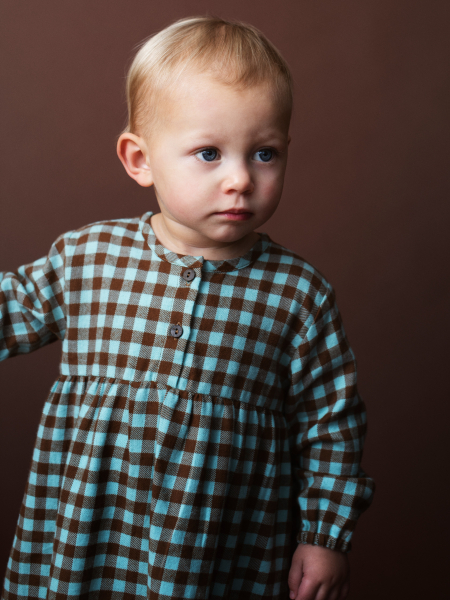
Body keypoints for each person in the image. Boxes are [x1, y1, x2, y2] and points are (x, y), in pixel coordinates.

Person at [0, 15, 375, 600]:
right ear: (140, 159)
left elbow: (331, 425)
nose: (240, 179)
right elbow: (10, 310)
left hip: (219, 544)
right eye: (208, 153)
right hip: (90, 532)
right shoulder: (88, 257)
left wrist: (324, 537)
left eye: (265, 153)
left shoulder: (299, 293)